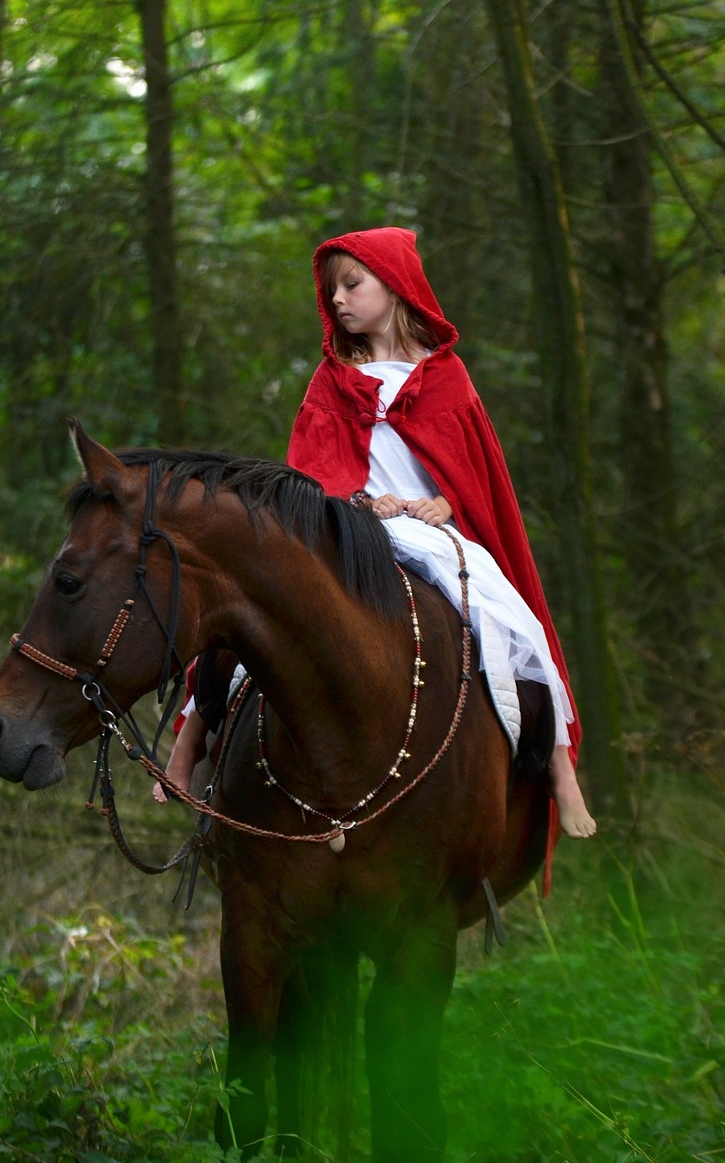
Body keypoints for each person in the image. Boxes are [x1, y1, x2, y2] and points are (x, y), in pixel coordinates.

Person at [160, 227, 595, 841]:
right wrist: (357, 503)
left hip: (433, 535)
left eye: (352, 284)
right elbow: (309, 478)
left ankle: (558, 772)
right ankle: (193, 744)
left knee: (517, 624)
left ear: (394, 286)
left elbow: (472, 479)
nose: (337, 299)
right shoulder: (331, 380)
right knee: (256, 610)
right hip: (347, 531)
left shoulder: (446, 378)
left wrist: (445, 504)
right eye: (331, 289)